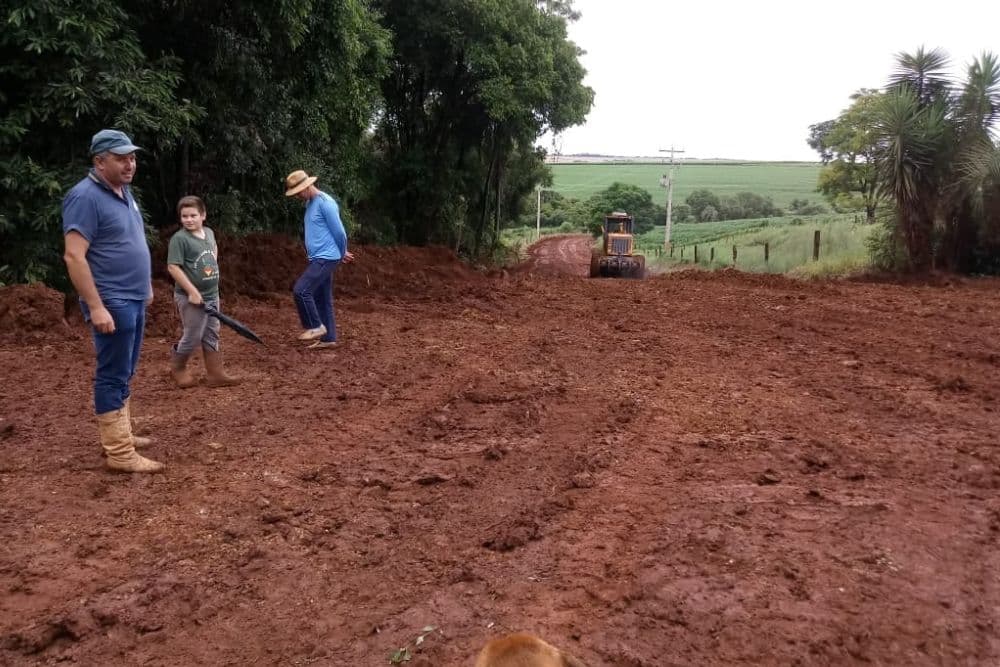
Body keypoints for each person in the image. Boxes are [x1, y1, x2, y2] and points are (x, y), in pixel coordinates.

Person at [62, 129, 164, 473]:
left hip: (133, 296)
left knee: (126, 369)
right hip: (112, 300)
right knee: (112, 373)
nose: (129, 164)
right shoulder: (85, 197)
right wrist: (95, 306)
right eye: (121, 158)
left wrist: (145, 285)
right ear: (99, 161)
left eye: (132, 157)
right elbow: (74, 256)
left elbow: (132, 242)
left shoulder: (124, 192)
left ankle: (123, 433)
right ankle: (119, 452)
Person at [166, 195, 240, 388]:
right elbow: (173, 267)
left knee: (212, 332)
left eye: (193, 215)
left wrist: (212, 267)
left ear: (203, 215)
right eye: (184, 216)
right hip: (190, 297)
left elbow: (213, 250)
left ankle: (215, 373)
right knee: (193, 334)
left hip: (211, 293)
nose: (188, 220)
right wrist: (191, 290)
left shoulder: (208, 233)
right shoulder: (180, 239)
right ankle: (178, 368)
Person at [284, 169, 354, 349]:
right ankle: (329, 338)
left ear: (307, 186)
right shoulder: (310, 203)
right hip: (320, 257)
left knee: (301, 290)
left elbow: (339, 232)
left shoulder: (325, 203)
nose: (298, 195)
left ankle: (315, 327)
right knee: (322, 297)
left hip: (327, 257)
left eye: (299, 191)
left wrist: (342, 250)